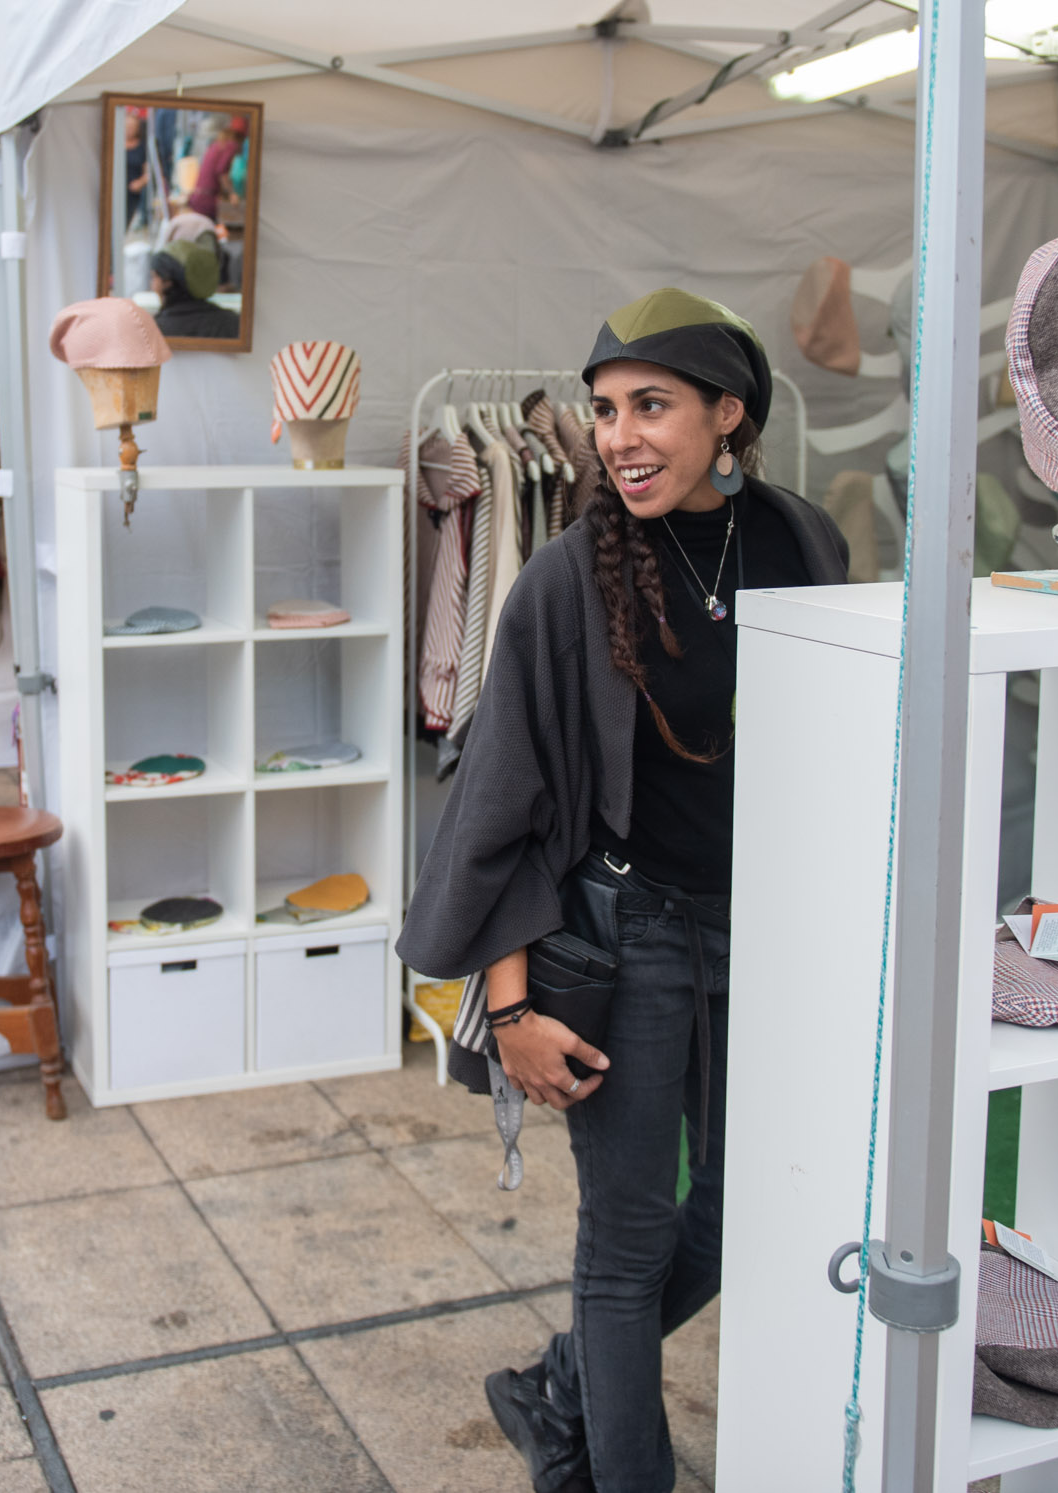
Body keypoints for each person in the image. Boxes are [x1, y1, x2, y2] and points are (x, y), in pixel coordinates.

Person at [398, 291, 848, 1493]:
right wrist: (508, 1009)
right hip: (630, 938)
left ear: (727, 417)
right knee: (630, 1237)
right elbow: (504, 804)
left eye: (651, 406)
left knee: (747, 1209)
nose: (619, 436)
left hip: (759, 931)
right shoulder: (564, 578)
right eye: (604, 411)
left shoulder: (805, 544)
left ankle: (561, 1383)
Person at [149, 238, 239, 340]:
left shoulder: (155, 329)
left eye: (154, 277)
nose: (152, 286)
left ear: (167, 282)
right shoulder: (233, 322)